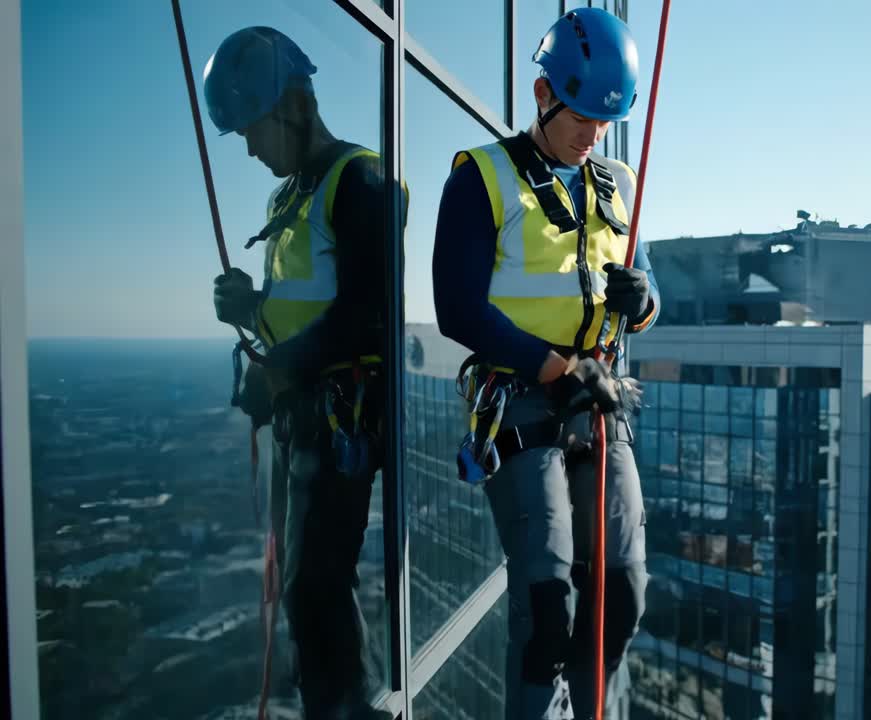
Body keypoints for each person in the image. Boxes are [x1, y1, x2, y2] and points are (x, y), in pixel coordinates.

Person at [433, 8, 659, 719]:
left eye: (604, 120)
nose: (593, 136)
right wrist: (560, 369)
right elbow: (458, 311)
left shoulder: (617, 180)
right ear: (542, 95)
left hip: (596, 403)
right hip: (524, 400)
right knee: (548, 601)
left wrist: (642, 297)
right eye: (582, 118)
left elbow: (651, 298)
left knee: (622, 593)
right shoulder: (482, 179)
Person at [204, 26, 402, 720]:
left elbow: (369, 314)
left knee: (314, 587)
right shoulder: (286, 200)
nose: (251, 148)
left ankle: (344, 711)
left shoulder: (364, 179)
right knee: (301, 587)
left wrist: (282, 365)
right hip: (304, 420)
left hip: (341, 416)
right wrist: (251, 310)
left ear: (291, 106)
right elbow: (294, 316)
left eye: (253, 129)